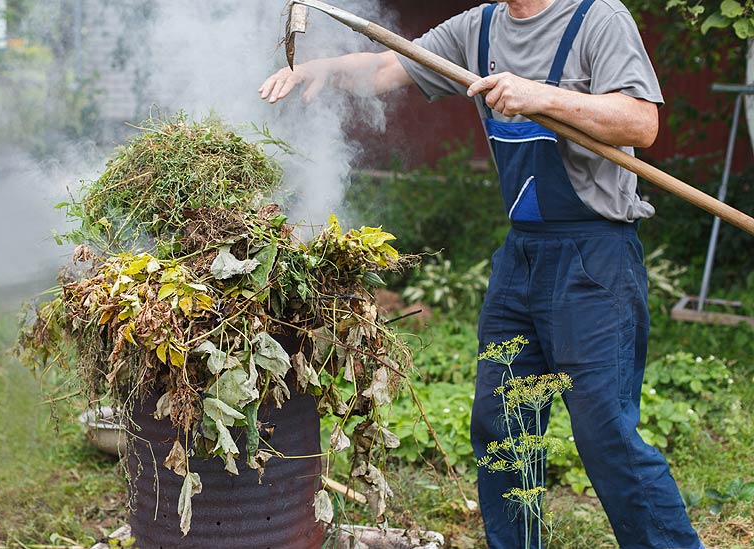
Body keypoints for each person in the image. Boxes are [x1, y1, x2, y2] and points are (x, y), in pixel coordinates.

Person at [260, 1, 704, 547]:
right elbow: (383, 69)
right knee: (501, 426)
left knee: (605, 433)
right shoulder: (480, 26)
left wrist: (539, 95)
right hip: (522, 257)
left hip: (595, 257)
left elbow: (642, 121)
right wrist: (324, 69)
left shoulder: (598, 18)